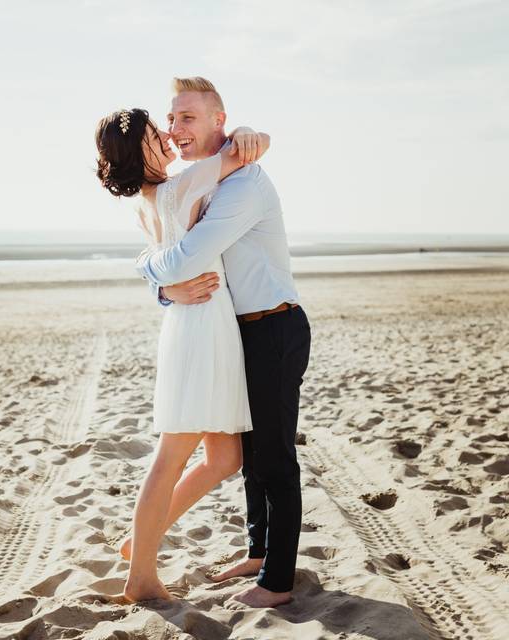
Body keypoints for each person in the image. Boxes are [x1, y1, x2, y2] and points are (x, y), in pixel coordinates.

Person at [136, 77, 311, 609]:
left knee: (275, 458)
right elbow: (174, 249)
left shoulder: (243, 184)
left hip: (274, 325)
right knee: (250, 454)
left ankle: (278, 582)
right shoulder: (203, 182)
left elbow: (188, 255)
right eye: (172, 118)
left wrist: (151, 272)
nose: (175, 128)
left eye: (188, 117)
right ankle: (259, 552)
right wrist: (161, 285)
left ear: (219, 120)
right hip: (240, 331)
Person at [94, 107, 269, 603]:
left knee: (224, 457)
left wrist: (167, 289)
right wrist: (244, 131)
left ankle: (138, 544)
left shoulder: (149, 200)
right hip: (200, 328)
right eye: (157, 132)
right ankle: (141, 577)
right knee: (172, 456)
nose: (169, 134)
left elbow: (152, 261)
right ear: (140, 148)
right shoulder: (180, 185)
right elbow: (238, 152)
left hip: (196, 319)